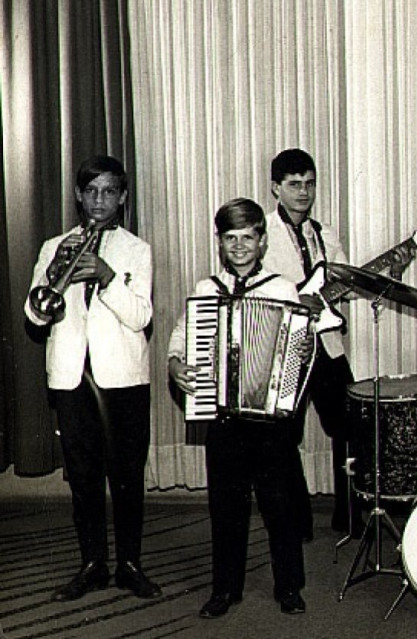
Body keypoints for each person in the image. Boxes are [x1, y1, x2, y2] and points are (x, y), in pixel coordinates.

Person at [24, 155, 161, 601]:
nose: (99, 201)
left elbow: (140, 317)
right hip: (70, 376)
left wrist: (106, 278)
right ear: (79, 197)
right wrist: (50, 277)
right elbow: (35, 312)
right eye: (91, 192)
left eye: (109, 192)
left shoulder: (136, 250)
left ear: (122, 198)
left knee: (125, 474)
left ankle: (130, 564)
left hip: (121, 377)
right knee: (82, 477)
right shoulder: (52, 246)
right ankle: (91, 564)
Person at [168, 198, 311, 617]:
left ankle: (289, 586)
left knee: (278, 505)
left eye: (248, 237)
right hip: (224, 418)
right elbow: (180, 335)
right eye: (231, 238)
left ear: (262, 241)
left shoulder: (283, 289)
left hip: (270, 423)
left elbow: (301, 351)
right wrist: (176, 363)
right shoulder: (206, 289)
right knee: (225, 507)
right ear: (220, 241)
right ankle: (224, 589)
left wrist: (287, 378)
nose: (240, 246)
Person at [262, 149, 414, 538]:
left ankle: (348, 513)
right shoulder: (261, 234)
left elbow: (344, 289)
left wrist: (389, 269)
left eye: (309, 184)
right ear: (276, 188)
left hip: (328, 343)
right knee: (283, 433)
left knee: (349, 427)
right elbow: (255, 291)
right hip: (287, 345)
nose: (303, 192)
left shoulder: (324, 234)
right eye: (294, 184)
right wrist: (295, 299)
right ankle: (295, 519)